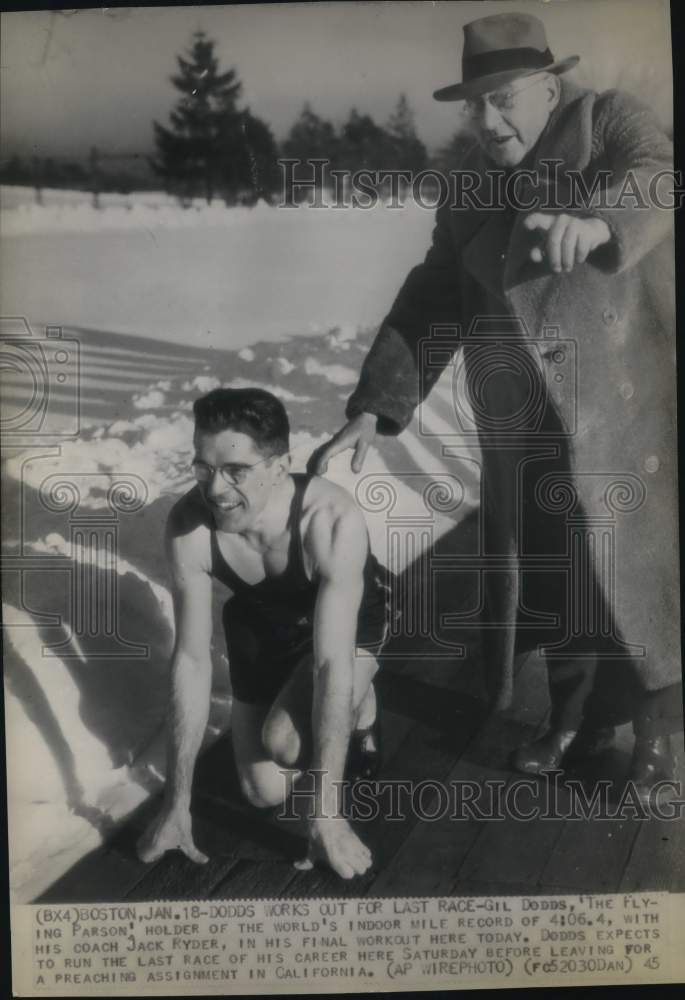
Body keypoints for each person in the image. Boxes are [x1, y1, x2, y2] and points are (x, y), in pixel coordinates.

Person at [315, 12, 681, 800]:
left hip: (627, 405)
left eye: (504, 98)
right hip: (521, 418)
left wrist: (596, 220)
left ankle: (657, 733)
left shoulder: (608, 121)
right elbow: (431, 299)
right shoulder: (467, 188)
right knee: (559, 573)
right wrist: (376, 408)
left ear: (548, 87)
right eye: (473, 105)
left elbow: (656, 174)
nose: (487, 121)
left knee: (641, 569)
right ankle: (579, 717)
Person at [138, 387, 391, 879]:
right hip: (262, 619)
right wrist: (176, 804)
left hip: (353, 619)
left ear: (280, 466)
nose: (215, 490)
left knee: (288, 744)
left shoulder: (330, 520)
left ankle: (367, 706)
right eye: (203, 469)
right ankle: (301, 694)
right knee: (263, 792)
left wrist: (326, 817)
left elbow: (330, 663)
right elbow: (190, 661)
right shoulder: (190, 525)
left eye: (237, 471)